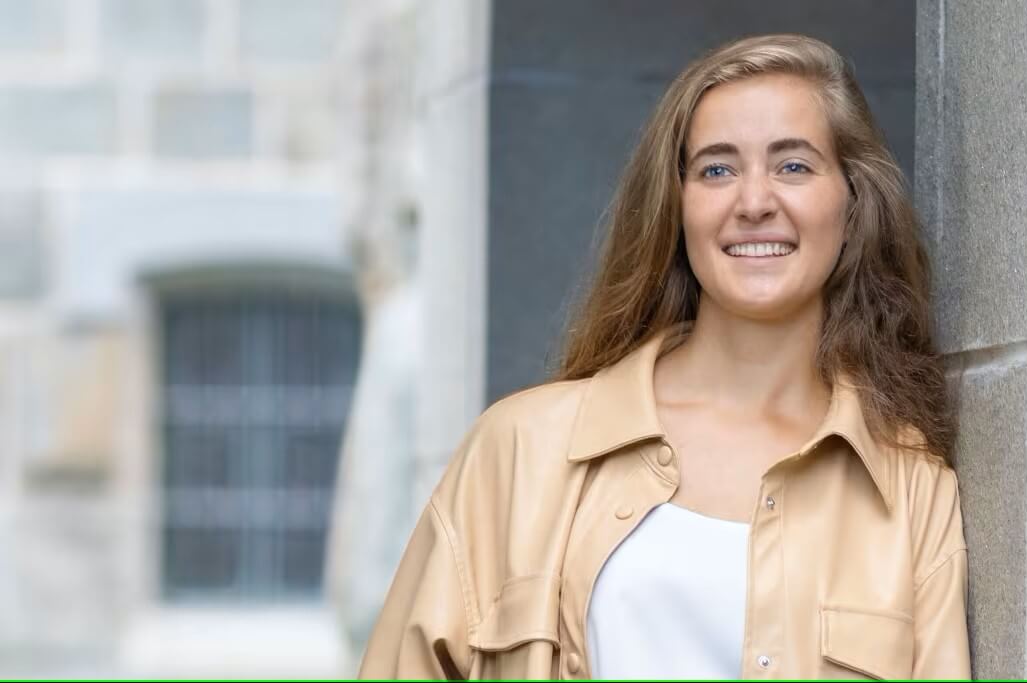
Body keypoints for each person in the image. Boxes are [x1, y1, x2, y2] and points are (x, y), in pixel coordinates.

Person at [359, 33, 969, 680]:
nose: (754, 201)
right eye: (717, 169)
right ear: (677, 207)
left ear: (853, 204)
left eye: (793, 165)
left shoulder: (912, 489)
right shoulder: (517, 449)